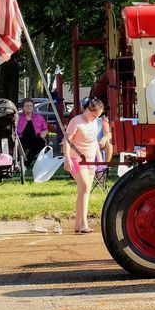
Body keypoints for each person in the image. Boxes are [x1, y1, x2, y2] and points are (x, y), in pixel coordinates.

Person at [63, 97, 104, 234]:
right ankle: (84, 224)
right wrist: (67, 159)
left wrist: (99, 158)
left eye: (97, 116)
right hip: (77, 158)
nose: (94, 118)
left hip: (90, 159)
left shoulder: (95, 122)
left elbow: (94, 141)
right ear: (87, 109)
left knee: (84, 192)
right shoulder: (76, 121)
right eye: (93, 115)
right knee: (85, 187)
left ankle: (78, 224)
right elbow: (66, 140)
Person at [17, 99, 50, 165]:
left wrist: (43, 133)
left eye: (30, 106)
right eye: (26, 106)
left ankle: (27, 162)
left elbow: (45, 129)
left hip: (35, 137)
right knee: (18, 144)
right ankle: (17, 162)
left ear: (33, 107)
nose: (28, 107)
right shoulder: (18, 117)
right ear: (23, 107)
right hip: (21, 138)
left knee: (41, 142)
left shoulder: (39, 117)